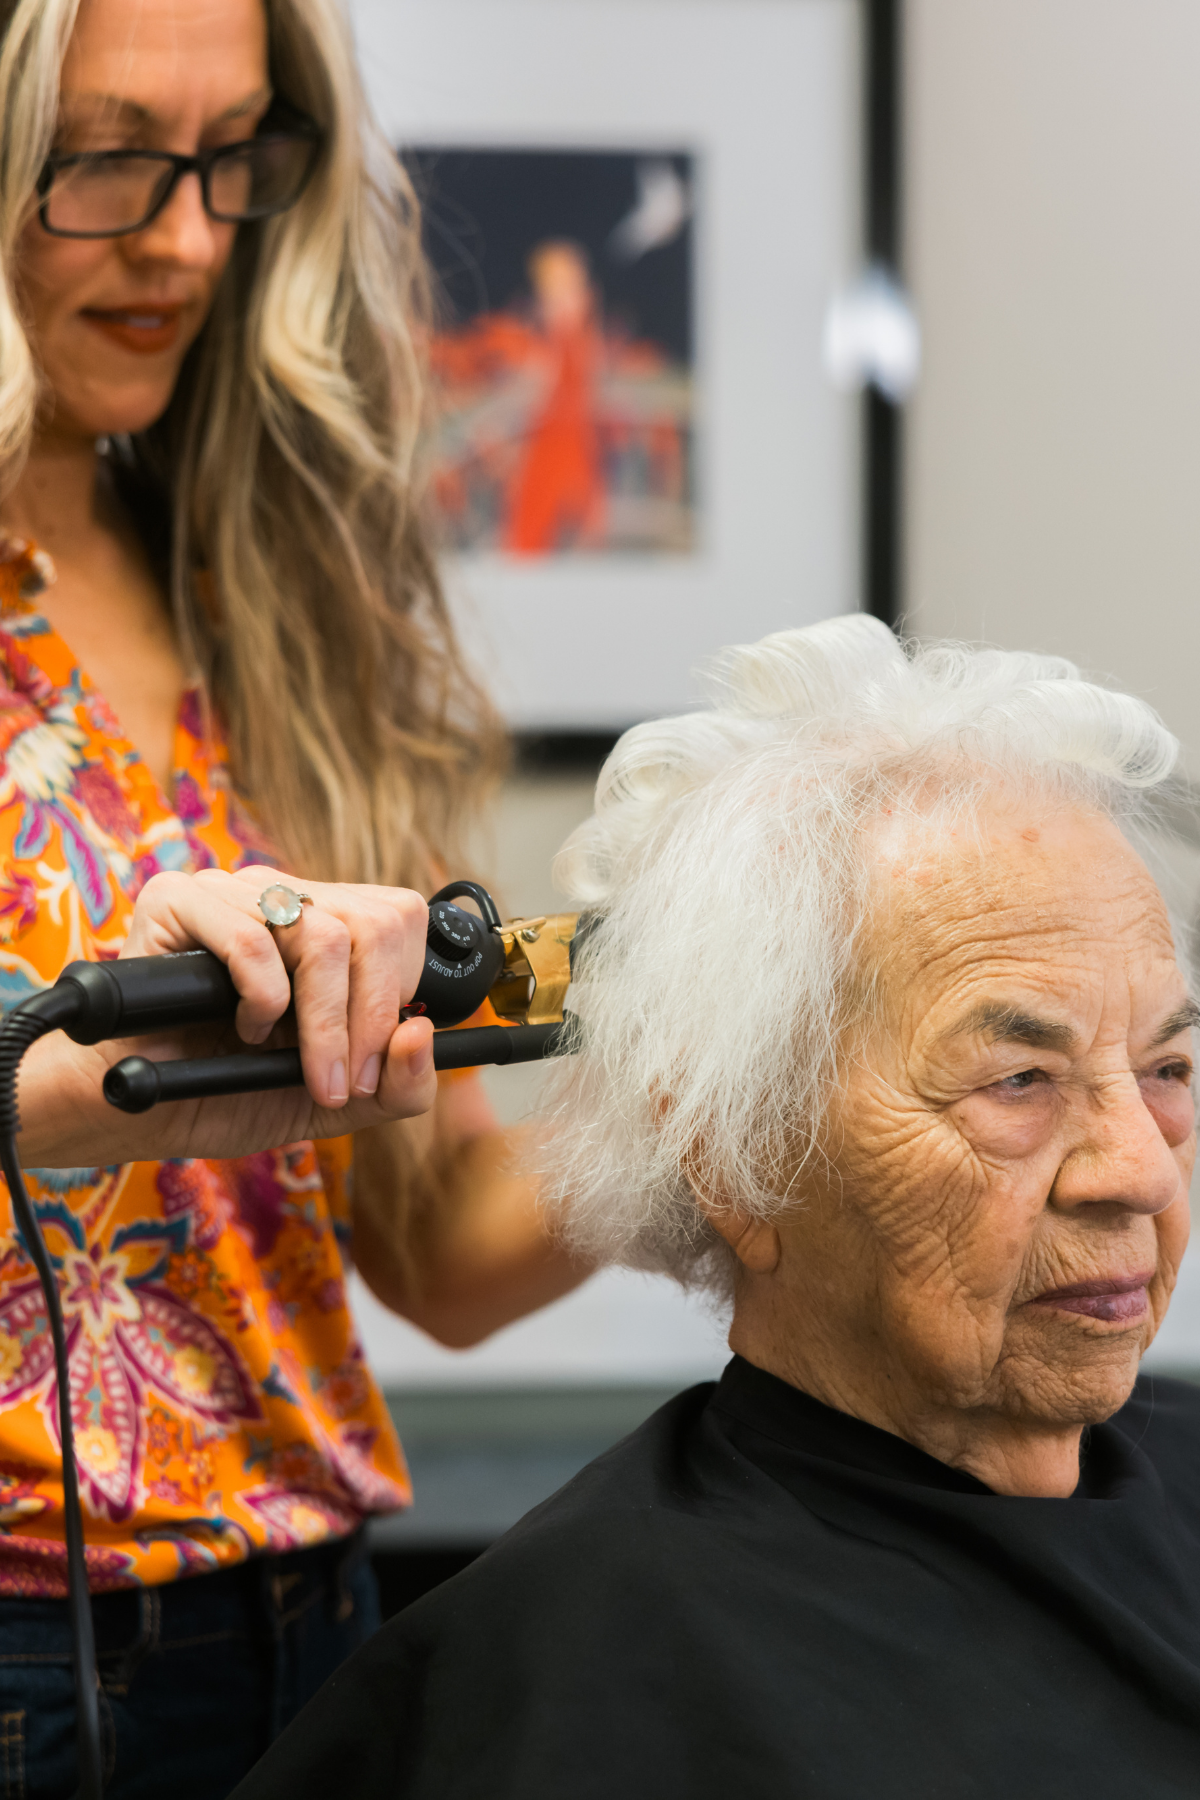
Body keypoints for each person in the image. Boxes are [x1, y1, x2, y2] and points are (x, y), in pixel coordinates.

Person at [231, 615, 1200, 1799]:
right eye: (1017, 1083)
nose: (1141, 1174)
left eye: (1168, 1072)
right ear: (737, 1162)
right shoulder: (587, 1666)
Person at [0, 0, 582, 1793]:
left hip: (311, 1629)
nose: (184, 233)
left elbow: (436, 1247)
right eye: (100, 156)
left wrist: (738, 1103)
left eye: (229, 156)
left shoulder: (265, 589)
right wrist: (66, 1104)